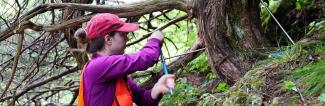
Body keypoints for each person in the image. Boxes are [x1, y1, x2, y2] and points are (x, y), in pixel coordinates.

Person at [76, 13, 175, 106]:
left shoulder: (116, 74)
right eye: (123, 35)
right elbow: (146, 58)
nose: (127, 39)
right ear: (108, 39)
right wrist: (154, 40)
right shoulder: (98, 66)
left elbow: (144, 100)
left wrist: (157, 88)